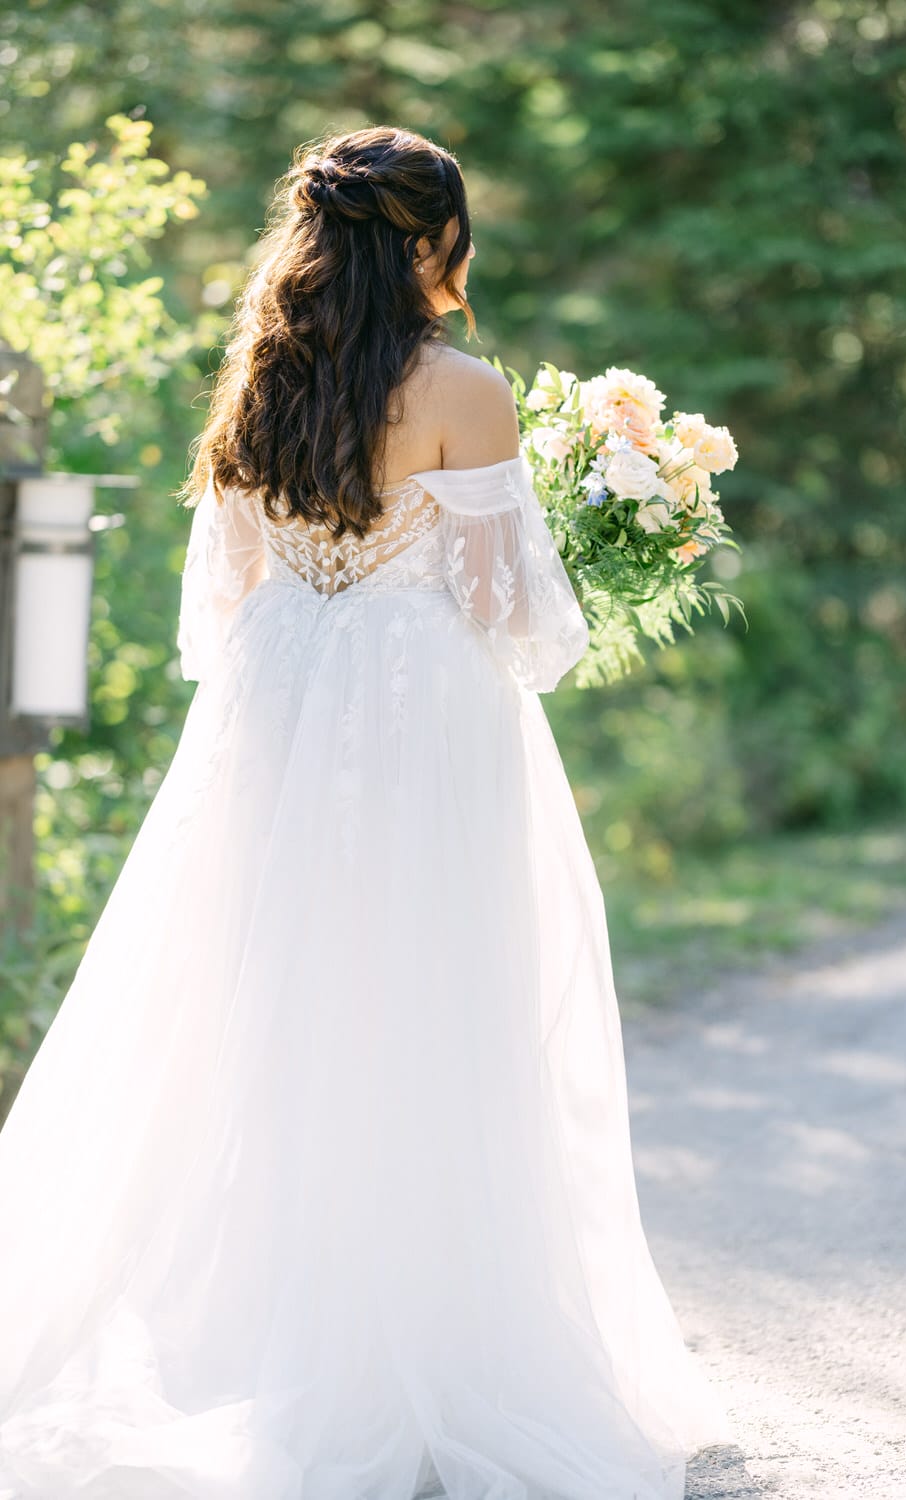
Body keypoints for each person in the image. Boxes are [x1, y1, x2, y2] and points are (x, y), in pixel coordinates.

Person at [0, 125, 731, 1499]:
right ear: (430, 246)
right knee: (430, 1004)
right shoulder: (467, 390)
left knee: (264, 1004)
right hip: (420, 717)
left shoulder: (260, 382)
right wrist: (579, 546)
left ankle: (261, 1325)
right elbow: (520, 621)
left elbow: (221, 609)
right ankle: (420, 1331)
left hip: (275, 709)